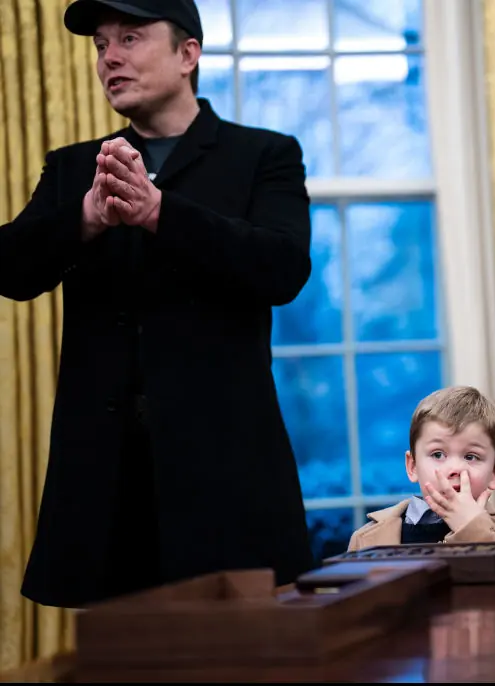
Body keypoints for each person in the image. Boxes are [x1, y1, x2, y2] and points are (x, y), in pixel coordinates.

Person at [0, 0, 314, 608]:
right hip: (106, 476)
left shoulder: (264, 155)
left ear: (187, 54)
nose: (109, 57)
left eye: (131, 38)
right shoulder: (75, 170)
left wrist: (159, 213)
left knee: (236, 660)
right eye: (100, 45)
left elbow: (282, 268)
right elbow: (10, 268)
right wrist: (86, 217)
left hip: (226, 471)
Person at [347, 386, 495, 562]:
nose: (455, 469)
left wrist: (474, 529)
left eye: (471, 457)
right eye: (438, 454)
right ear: (412, 466)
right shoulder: (364, 539)